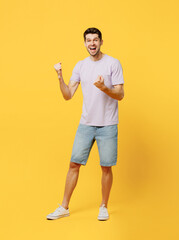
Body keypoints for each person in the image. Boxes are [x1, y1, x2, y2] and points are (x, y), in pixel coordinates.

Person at [47, 27, 125, 221]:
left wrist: (103, 87)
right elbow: (68, 95)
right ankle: (64, 206)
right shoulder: (81, 66)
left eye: (95, 40)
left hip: (107, 124)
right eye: (88, 40)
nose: (92, 43)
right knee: (74, 164)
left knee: (106, 167)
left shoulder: (113, 63)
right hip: (86, 123)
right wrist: (59, 77)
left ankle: (104, 206)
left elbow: (120, 94)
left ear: (101, 42)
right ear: (84, 43)